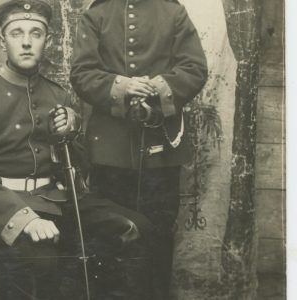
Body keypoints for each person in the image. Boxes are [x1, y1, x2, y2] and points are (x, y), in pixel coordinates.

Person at [0, 1, 155, 299]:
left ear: (47, 41)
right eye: (17, 33)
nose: (27, 41)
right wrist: (26, 219)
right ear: (2, 40)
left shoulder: (57, 94)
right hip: (1, 207)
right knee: (41, 259)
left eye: (36, 33)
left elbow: (80, 168)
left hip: (55, 198)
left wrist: (69, 134)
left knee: (136, 228)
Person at [70, 0, 208, 298]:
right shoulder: (97, 14)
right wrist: (122, 87)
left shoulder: (174, 12)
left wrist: (157, 88)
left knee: (157, 238)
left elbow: (195, 68)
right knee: (112, 236)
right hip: (110, 151)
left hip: (161, 149)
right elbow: (82, 73)